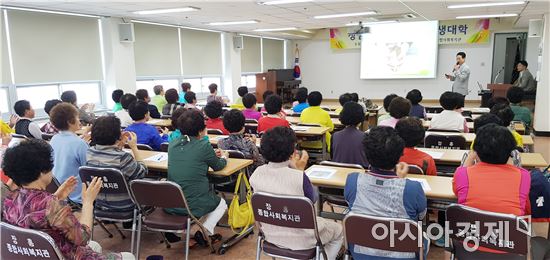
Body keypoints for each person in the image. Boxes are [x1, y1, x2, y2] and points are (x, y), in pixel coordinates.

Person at [2, 139, 134, 259]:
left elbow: (35, 217)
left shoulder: (9, 200)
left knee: (95, 246)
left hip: (35, 255)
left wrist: (57, 197)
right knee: (128, 256)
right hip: (65, 255)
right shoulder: (50, 205)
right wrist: (88, 202)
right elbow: (82, 238)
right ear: (42, 171)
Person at [250, 127, 344, 260]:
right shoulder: (298, 177)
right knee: (338, 230)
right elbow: (312, 200)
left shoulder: (256, 174)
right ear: (292, 151)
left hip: (270, 234)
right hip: (304, 239)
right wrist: (300, 170)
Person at [345, 126, 427, 259]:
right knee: (424, 237)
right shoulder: (413, 188)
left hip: (361, 252)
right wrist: (399, 181)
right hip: (404, 254)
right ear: (400, 155)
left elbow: (352, 205)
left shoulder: (352, 180)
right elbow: (421, 216)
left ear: (365, 154)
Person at [454, 124, 530, 252]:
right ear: (510, 152)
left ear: (476, 151)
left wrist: (469, 159)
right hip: (509, 249)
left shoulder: (462, 174)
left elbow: (457, 191)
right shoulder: (524, 176)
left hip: (468, 249)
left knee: (449, 230)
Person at [166, 109, 228, 242]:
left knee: (201, 198)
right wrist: (224, 157)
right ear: (201, 130)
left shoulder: (172, 144)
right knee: (221, 203)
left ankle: (184, 230)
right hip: (193, 204)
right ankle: (203, 232)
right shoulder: (203, 145)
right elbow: (218, 166)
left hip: (171, 202)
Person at [86, 116, 147, 212]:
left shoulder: (89, 153)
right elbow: (142, 172)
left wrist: (118, 147)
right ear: (117, 134)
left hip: (99, 203)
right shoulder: (123, 157)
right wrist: (134, 147)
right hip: (125, 204)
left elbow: (108, 155)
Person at [49, 103, 89, 204]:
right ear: (70, 122)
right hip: (77, 195)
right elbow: (89, 171)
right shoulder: (80, 144)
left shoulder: (54, 139)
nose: (79, 121)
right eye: (77, 117)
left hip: (59, 191)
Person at [331, 102, 369, 168]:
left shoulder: (334, 136)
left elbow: (332, 156)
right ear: (361, 117)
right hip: (359, 174)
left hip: (338, 173)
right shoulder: (365, 137)